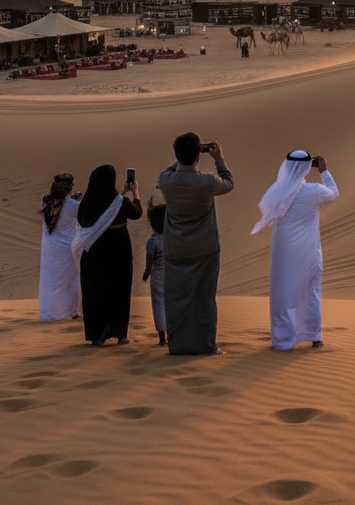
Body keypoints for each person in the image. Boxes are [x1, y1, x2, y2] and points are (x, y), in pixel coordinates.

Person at [251, 151, 339, 350]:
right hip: (308, 251)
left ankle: (283, 340)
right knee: (310, 291)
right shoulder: (314, 191)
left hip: (283, 252)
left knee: (283, 294)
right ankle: (314, 336)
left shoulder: (278, 191)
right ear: (307, 166)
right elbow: (334, 193)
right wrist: (324, 171)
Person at [158, 133, 234, 355]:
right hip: (205, 249)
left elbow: (172, 168)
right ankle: (206, 345)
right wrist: (219, 159)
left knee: (175, 299)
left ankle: (177, 345)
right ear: (198, 157)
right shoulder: (207, 182)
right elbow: (229, 183)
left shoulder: (165, 180)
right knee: (204, 298)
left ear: (176, 155)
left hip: (176, 248)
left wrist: (186, 155)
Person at [72, 165, 143, 345]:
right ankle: (120, 334)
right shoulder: (119, 202)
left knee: (95, 290)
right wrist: (135, 193)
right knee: (118, 289)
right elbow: (136, 213)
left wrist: (121, 194)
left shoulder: (86, 202)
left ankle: (96, 335)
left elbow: (90, 218)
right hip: (118, 248)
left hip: (94, 250)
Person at [38, 173, 82, 321]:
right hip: (67, 249)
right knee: (72, 280)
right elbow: (85, 213)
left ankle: (48, 314)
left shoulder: (46, 202)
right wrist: (76, 200)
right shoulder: (73, 205)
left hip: (50, 250)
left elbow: (60, 208)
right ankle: (72, 311)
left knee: (50, 282)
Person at [142, 200, 167, 346]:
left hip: (158, 275)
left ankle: (162, 339)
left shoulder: (153, 241)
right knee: (172, 303)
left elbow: (150, 260)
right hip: (173, 273)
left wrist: (147, 273)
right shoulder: (174, 238)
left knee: (159, 304)